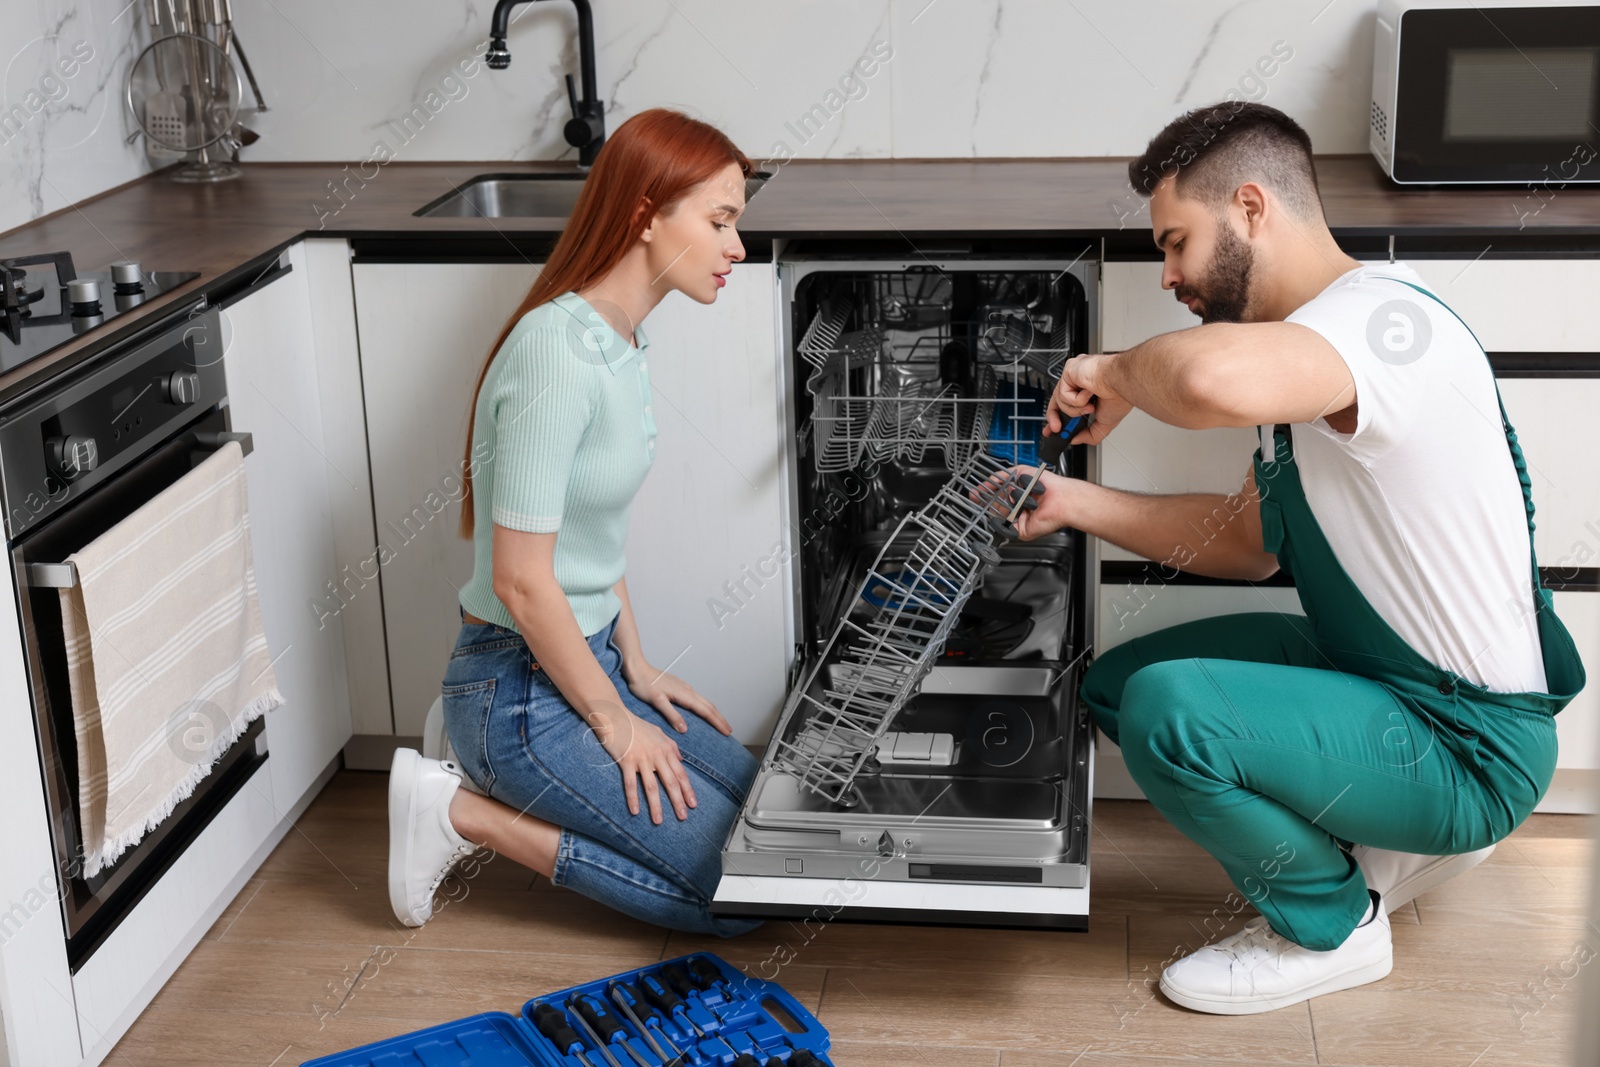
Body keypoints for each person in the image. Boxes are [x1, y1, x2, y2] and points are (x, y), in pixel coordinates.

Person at [1013, 102, 1585, 1014]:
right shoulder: (1311, 364)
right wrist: (1073, 503)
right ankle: (1384, 837)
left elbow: (1202, 379)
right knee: (1126, 679)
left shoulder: (1384, 325)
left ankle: (1333, 924)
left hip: (1471, 741)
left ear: (1249, 206)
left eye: (1175, 244)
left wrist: (1112, 371)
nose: (1167, 276)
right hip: (1393, 684)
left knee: (1173, 713)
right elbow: (1243, 546)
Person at [386, 108, 761, 938]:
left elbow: (588, 531)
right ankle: (455, 811)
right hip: (518, 694)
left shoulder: (620, 342)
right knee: (740, 900)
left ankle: (505, 763)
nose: (737, 246)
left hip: (581, 663)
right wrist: (615, 721)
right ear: (645, 214)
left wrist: (636, 665)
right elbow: (522, 580)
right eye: (721, 221)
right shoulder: (554, 356)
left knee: (764, 818)